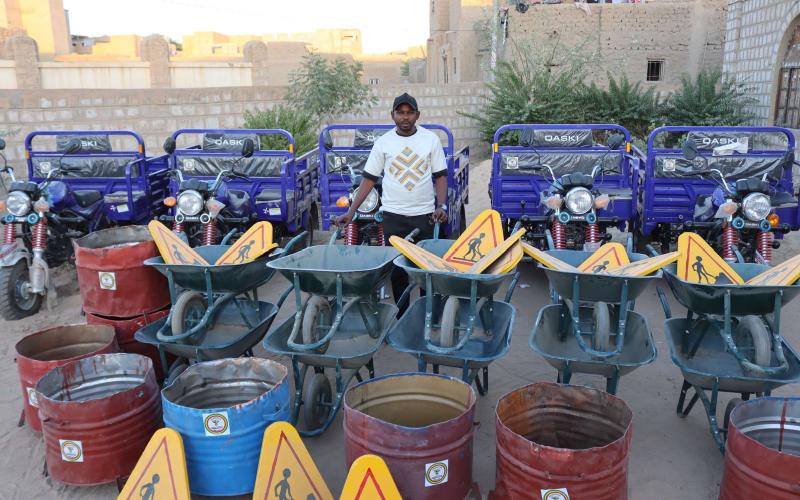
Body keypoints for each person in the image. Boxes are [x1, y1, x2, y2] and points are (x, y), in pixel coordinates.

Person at [336, 93, 448, 314]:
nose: (405, 117)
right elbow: (369, 179)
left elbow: (441, 176)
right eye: (400, 113)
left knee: (425, 269)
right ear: (393, 115)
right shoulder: (384, 143)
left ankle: (426, 315)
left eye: (409, 113)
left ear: (417, 115)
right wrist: (350, 212)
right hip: (393, 217)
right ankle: (402, 316)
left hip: (424, 215)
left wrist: (441, 206)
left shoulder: (431, 140)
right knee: (397, 270)